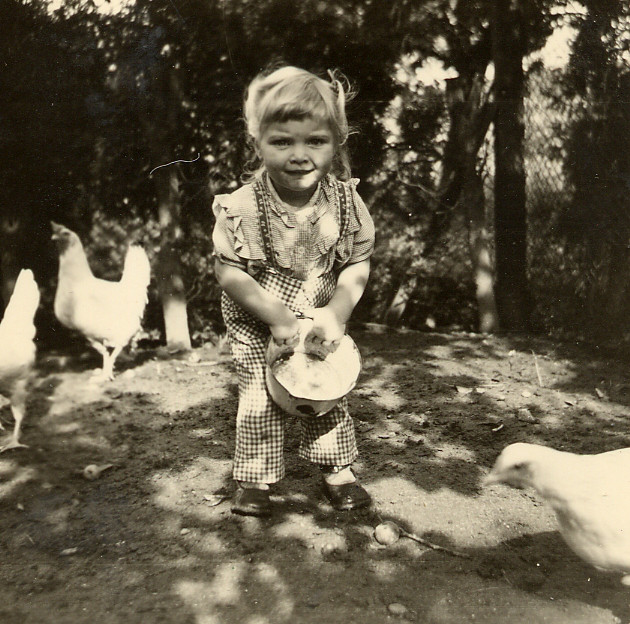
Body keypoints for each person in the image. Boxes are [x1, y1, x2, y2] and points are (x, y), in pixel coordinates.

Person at [212, 65, 375, 517]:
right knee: (262, 394)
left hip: (319, 312)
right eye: (282, 141)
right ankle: (257, 477)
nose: (299, 155)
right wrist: (277, 317)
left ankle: (336, 468)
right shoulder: (243, 207)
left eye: (315, 141)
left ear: (336, 141)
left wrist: (338, 311)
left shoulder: (344, 201)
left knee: (325, 389)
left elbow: (357, 261)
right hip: (256, 316)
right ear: (257, 141)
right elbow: (230, 273)